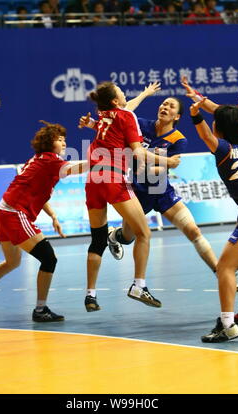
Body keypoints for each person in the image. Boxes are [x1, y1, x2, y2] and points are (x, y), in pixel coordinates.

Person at [80, 84, 223, 281]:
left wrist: (148, 166)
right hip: (137, 193)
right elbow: (122, 113)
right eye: (164, 104)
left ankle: (219, 272)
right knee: (128, 238)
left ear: (177, 116)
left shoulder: (178, 139)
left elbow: (164, 169)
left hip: (162, 191)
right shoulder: (141, 125)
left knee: (193, 230)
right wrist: (145, 94)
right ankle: (113, 236)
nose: (165, 107)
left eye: (171, 106)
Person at [0, 121, 88, 322]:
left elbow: (38, 192)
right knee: (49, 258)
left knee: (12, 261)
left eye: (65, 139)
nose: (64, 143)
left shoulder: (40, 160)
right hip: (14, 213)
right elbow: (76, 169)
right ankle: (40, 309)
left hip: (3, 212)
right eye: (59, 139)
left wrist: (53, 216)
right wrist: (103, 160)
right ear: (49, 143)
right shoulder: (51, 160)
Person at [182, 74, 238, 325]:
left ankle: (227, 325)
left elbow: (207, 135)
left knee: (225, 266)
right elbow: (223, 117)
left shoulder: (223, 149)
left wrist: (195, 115)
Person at [81, 81, 165, 312]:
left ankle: (91, 295)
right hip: (113, 177)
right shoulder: (126, 117)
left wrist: (146, 93)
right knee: (143, 233)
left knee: (97, 240)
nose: (124, 93)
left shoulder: (104, 114)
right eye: (121, 92)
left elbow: (127, 108)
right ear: (116, 100)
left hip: (93, 180)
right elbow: (137, 149)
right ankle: (139, 285)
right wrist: (165, 161)